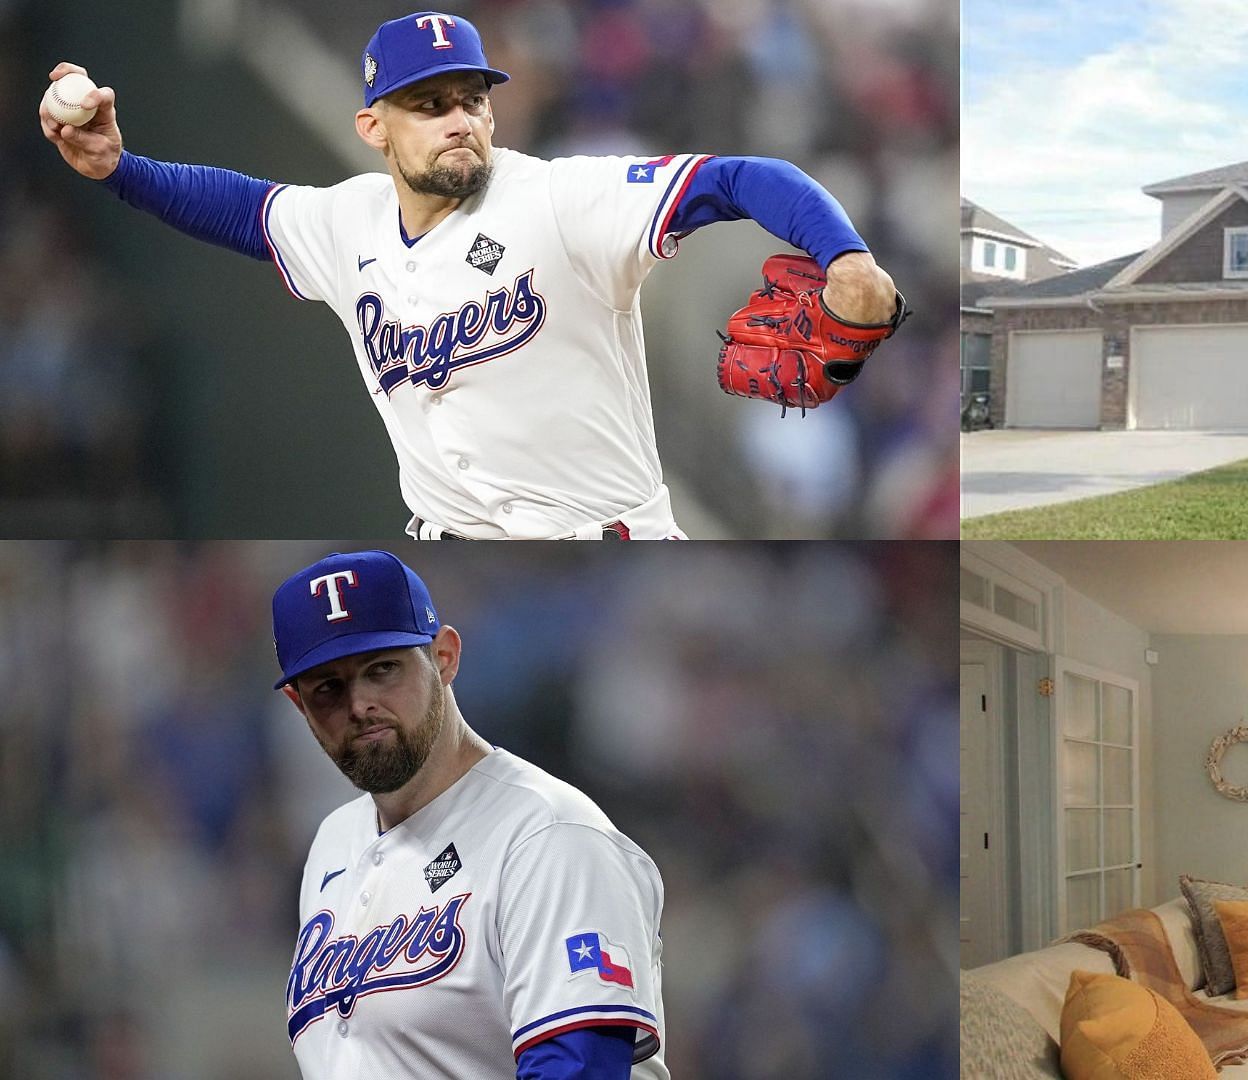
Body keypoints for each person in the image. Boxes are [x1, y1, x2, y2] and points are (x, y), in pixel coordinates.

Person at [40, 10, 902, 539]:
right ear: (373, 126)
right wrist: (119, 168)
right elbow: (240, 208)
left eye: (472, 98)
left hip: (604, 544)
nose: (459, 119)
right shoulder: (348, 220)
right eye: (429, 103)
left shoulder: (561, 197)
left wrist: (848, 259)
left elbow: (741, 179)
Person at [273, 549, 667, 1078]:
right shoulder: (332, 843)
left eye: (381, 669)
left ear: (444, 658)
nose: (359, 705)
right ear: (300, 705)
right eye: (328, 688)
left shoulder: (549, 836)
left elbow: (578, 1068)